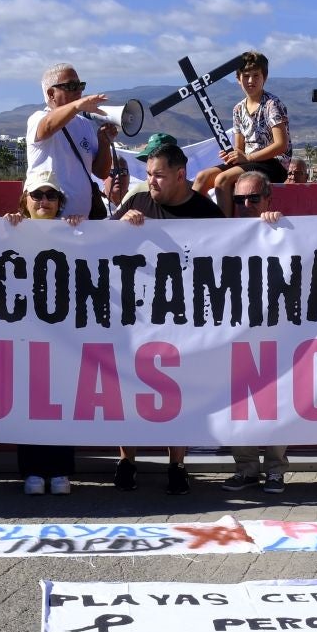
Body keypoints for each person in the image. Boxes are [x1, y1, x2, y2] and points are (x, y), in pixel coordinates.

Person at [114, 134, 225, 496]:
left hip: (185, 319)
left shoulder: (207, 213)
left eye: (159, 175)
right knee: (131, 392)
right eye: (148, 174)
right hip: (138, 318)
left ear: (181, 174)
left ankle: (177, 464)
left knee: (180, 395)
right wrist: (119, 225)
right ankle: (127, 461)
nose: (151, 182)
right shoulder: (139, 201)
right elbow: (100, 245)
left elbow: (233, 253)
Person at [3, 169, 85, 494]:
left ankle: (61, 470)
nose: (44, 201)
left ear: (59, 202)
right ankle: (32, 471)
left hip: (64, 333)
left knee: (61, 401)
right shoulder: (11, 230)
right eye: (37, 195)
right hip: (25, 331)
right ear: (26, 200)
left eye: (51, 195)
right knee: (29, 402)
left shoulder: (74, 231)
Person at [222, 170, 290, 494]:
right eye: (240, 199)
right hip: (238, 332)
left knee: (277, 402)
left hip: (277, 330)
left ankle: (275, 470)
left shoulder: (285, 229)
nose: (247, 204)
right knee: (241, 404)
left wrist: (278, 224)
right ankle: (246, 468)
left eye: (253, 198)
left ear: (268, 198)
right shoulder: (225, 233)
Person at [197, 50, 290, 204]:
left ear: (264, 78)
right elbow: (239, 148)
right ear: (238, 79)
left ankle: (226, 225)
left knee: (223, 179)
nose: (250, 80)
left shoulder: (271, 105)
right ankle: (199, 221)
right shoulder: (238, 109)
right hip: (250, 163)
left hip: (274, 165)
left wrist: (248, 157)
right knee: (202, 177)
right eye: (246, 76)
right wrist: (232, 155)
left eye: (256, 75)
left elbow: (281, 145)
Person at [26, 64, 115, 219]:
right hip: (47, 221)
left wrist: (104, 143)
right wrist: (77, 105)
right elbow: (47, 126)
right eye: (71, 86)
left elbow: (101, 172)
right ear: (51, 93)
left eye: (80, 85)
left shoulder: (84, 124)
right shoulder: (38, 118)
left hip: (80, 223)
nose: (79, 91)